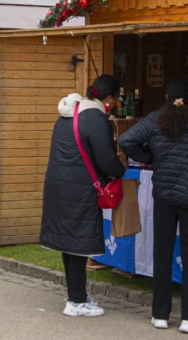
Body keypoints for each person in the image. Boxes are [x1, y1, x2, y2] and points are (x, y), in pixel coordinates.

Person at [119, 77, 188, 334]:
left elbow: (126, 140)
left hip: (164, 195)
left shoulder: (156, 119)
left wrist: (152, 158)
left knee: (161, 253)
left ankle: (160, 314)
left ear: (166, 97)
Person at [40, 74, 126, 317]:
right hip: (80, 189)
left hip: (60, 186)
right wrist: (121, 168)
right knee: (77, 245)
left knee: (70, 245)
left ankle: (76, 295)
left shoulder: (69, 112)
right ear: (109, 97)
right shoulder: (95, 118)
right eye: (116, 99)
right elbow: (106, 160)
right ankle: (76, 301)